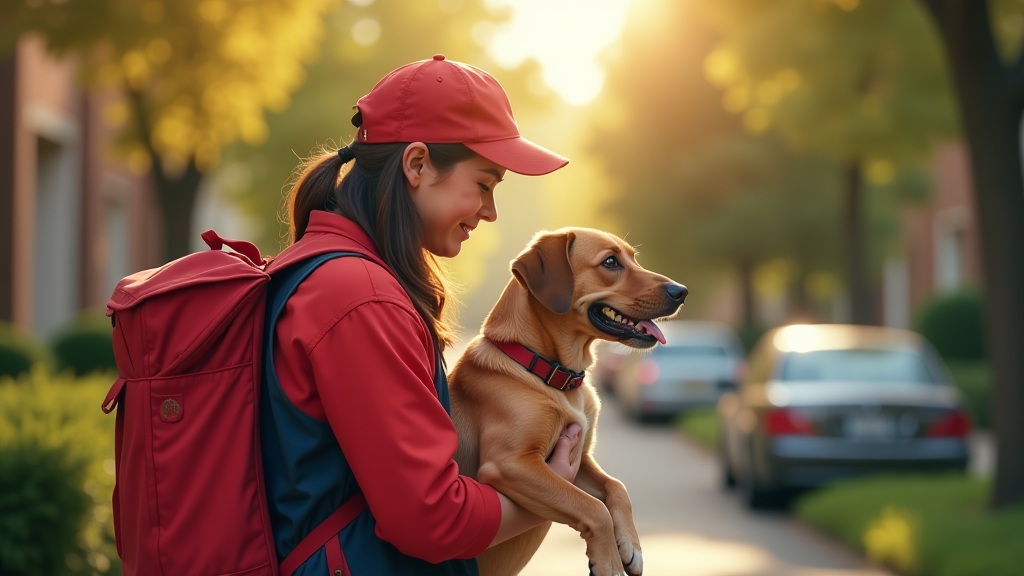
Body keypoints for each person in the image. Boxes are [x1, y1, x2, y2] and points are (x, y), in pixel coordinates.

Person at [260, 54, 581, 576]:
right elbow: (431, 519)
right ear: (416, 164)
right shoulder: (359, 296)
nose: (490, 210)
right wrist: (548, 493)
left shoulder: (334, 276)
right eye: (484, 183)